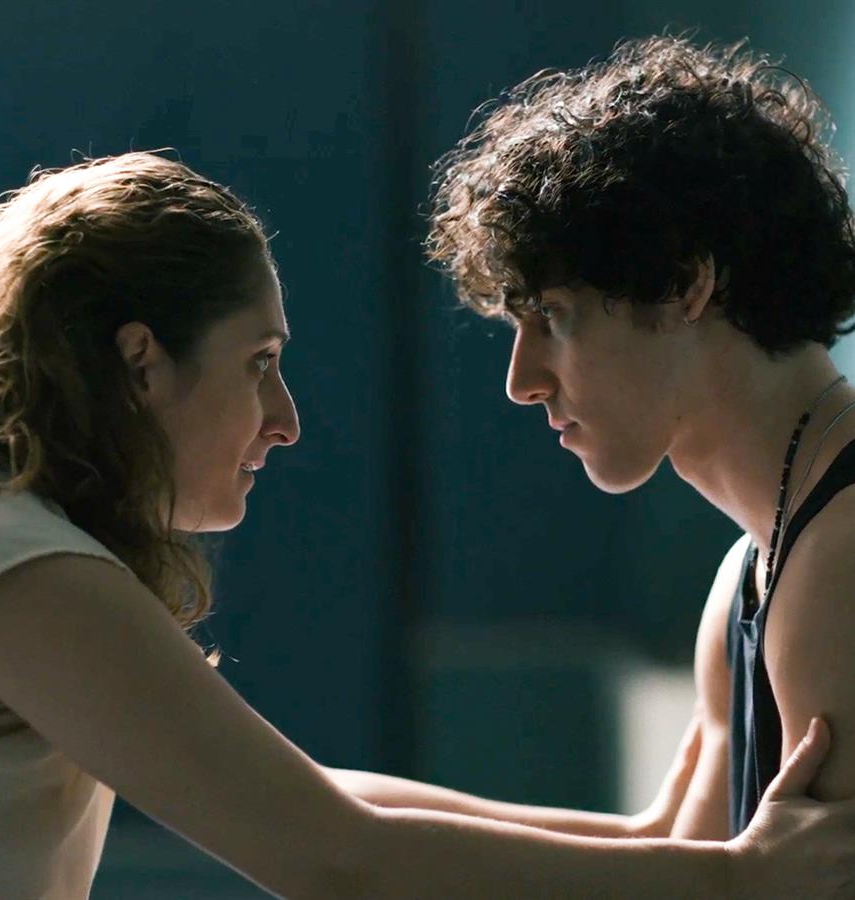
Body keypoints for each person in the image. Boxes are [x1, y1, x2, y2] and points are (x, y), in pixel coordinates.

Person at [0, 152, 852, 900]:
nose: (286, 420)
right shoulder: (19, 566)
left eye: (552, 318)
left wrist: (718, 869)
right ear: (141, 363)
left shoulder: (4, 538)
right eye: (259, 362)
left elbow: (309, 808)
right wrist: (737, 881)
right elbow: (334, 854)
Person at [338, 32, 855, 872]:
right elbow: (674, 854)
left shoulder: (842, 562)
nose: (522, 381)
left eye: (555, 317)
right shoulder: (754, 568)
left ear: (686, 283)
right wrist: (294, 802)